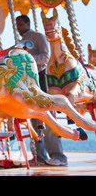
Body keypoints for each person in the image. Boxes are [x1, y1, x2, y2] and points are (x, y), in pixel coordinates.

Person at [16, 14, 67, 166]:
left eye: (19, 24)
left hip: (40, 78)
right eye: (17, 25)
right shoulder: (20, 42)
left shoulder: (38, 37)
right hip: (27, 82)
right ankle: (40, 156)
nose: (18, 27)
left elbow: (45, 57)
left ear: (27, 23)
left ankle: (58, 155)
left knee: (47, 116)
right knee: (32, 117)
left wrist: (27, 60)